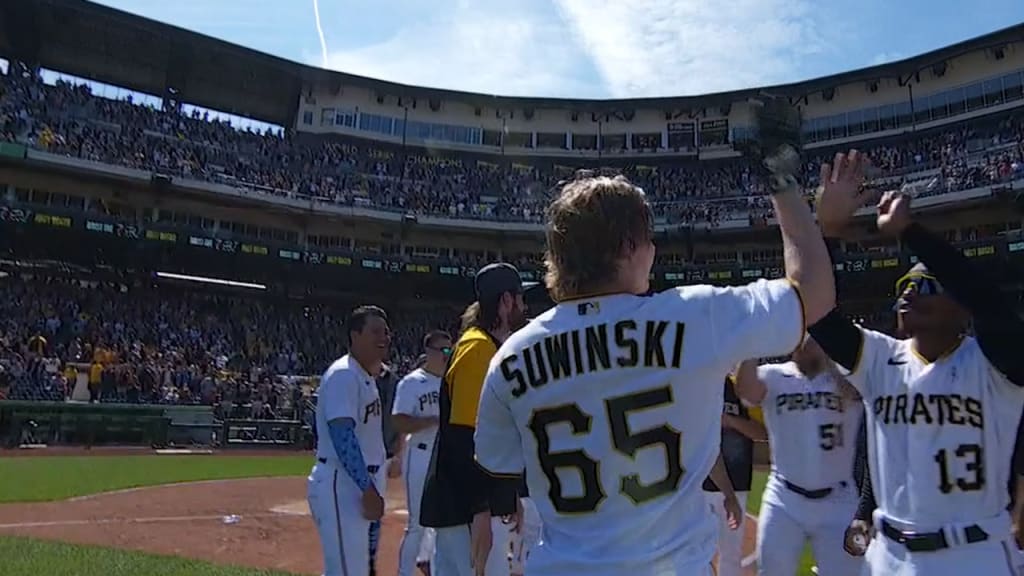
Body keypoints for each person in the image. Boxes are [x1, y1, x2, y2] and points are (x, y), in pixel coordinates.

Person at [473, 144, 867, 576]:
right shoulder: (694, 317)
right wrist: (783, 184)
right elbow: (814, 293)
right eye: (649, 241)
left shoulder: (510, 355)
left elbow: (499, 463)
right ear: (628, 247)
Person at [808, 189, 1024, 575]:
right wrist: (824, 232)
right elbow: (816, 315)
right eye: (902, 287)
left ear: (960, 307)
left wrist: (910, 231)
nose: (908, 292)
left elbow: (988, 302)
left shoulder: (994, 364)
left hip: (973, 554)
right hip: (890, 554)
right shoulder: (879, 357)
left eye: (924, 284)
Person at [420, 263, 531, 576]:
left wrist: (507, 495)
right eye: (521, 300)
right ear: (506, 301)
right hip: (465, 510)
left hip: (470, 507)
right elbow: (463, 438)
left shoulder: (486, 347)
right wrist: (480, 509)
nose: (524, 308)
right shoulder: (477, 348)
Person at [733, 337, 863, 576]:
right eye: (801, 336)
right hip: (784, 496)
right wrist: (753, 339)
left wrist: (832, 353)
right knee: (772, 569)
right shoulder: (773, 375)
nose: (806, 343)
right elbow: (745, 390)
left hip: (839, 497)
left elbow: (861, 385)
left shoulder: (844, 378)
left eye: (814, 337)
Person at [307, 305, 392, 576]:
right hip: (343, 482)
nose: (384, 338)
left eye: (387, 332)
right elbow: (342, 435)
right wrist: (367, 490)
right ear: (354, 336)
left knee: (345, 569)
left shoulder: (365, 375)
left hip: (359, 482)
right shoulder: (344, 374)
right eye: (375, 332)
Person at [393, 330, 453, 576]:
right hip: (420, 454)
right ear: (429, 352)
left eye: (451, 350)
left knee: (442, 525)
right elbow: (399, 422)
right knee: (417, 525)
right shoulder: (411, 382)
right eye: (444, 350)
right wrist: (431, 421)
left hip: (445, 457)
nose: (448, 355)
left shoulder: (451, 382)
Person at [704, 375, 766, 576]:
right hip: (698, 484)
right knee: (695, 552)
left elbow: (763, 433)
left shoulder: (742, 389)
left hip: (737, 480)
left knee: (731, 554)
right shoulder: (698, 384)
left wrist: (730, 421)